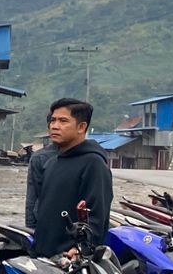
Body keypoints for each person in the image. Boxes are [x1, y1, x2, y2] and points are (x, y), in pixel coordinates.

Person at [31, 98, 113, 258]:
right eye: (52, 120)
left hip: (71, 259)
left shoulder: (94, 164)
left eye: (63, 121)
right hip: (44, 256)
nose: (54, 126)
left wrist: (83, 248)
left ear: (81, 127)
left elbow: (97, 214)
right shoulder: (52, 163)